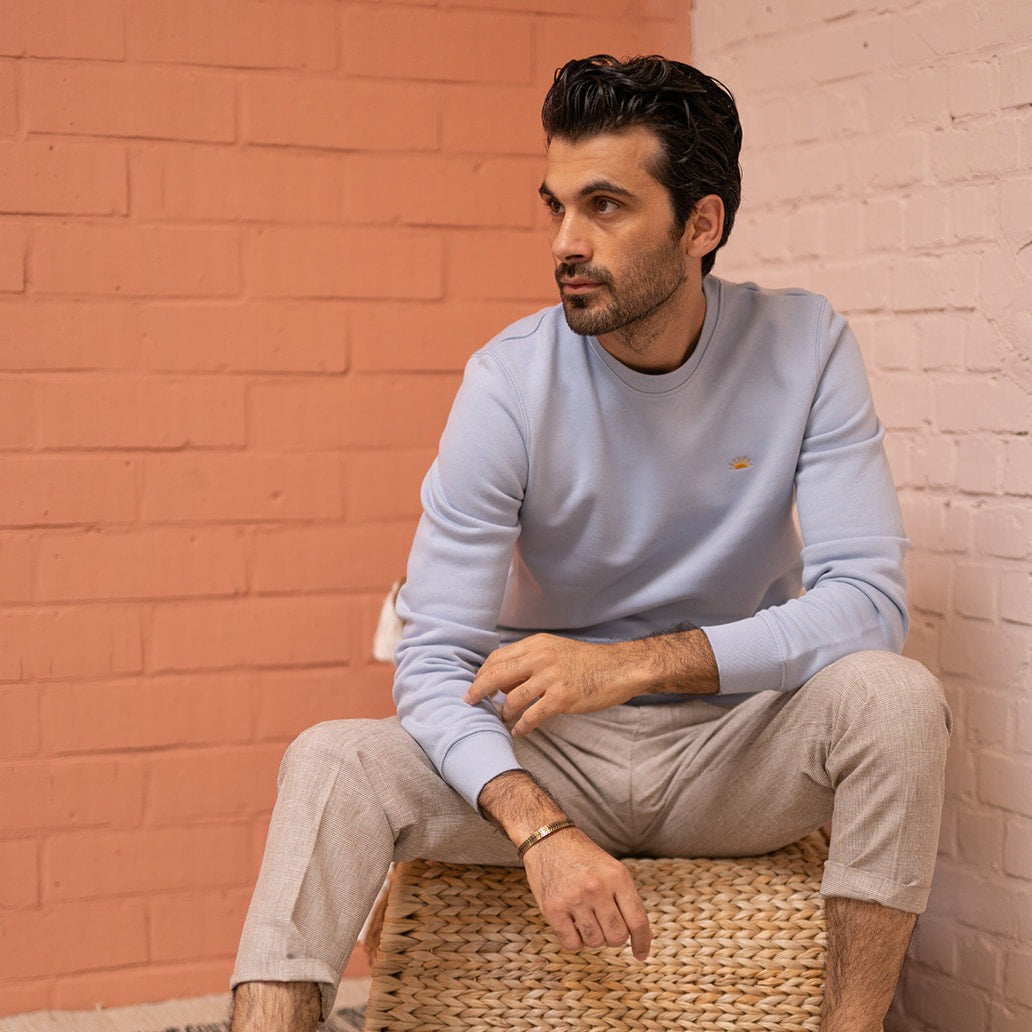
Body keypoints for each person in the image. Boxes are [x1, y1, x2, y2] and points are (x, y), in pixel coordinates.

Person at [230, 55, 951, 1032]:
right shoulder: (508, 384)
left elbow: (867, 606)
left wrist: (628, 665)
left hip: (734, 752)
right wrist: (538, 826)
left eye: (605, 206)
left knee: (896, 698)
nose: (566, 242)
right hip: (549, 750)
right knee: (330, 760)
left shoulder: (806, 345)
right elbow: (435, 660)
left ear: (701, 225)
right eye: (557, 206)